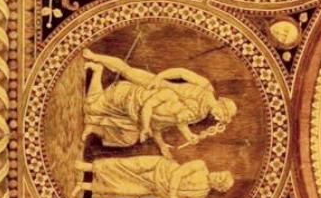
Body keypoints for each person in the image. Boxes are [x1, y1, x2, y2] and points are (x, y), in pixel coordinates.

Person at [82, 50, 236, 158]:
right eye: (222, 114)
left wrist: (188, 135)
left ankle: (96, 115)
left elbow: (179, 119)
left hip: (155, 106)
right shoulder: (205, 87)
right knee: (126, 71)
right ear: (221, 104)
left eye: (221, 119)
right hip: (158, 87)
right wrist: (159, 77)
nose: (218, 118)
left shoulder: (201, 115)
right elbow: (181, 72)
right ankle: (96, 57)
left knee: (124, 129)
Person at [73, 156, 233, 198]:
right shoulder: (200, 165)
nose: (216, 176)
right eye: (219, 174)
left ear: (217, 187)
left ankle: (83, 186)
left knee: (120, 188)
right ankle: (88, 167)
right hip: (158, 167)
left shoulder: (200, 196)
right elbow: (178, 173)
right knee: (124, 165)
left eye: (219, 179)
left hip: (155, 189)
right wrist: (173, 194)